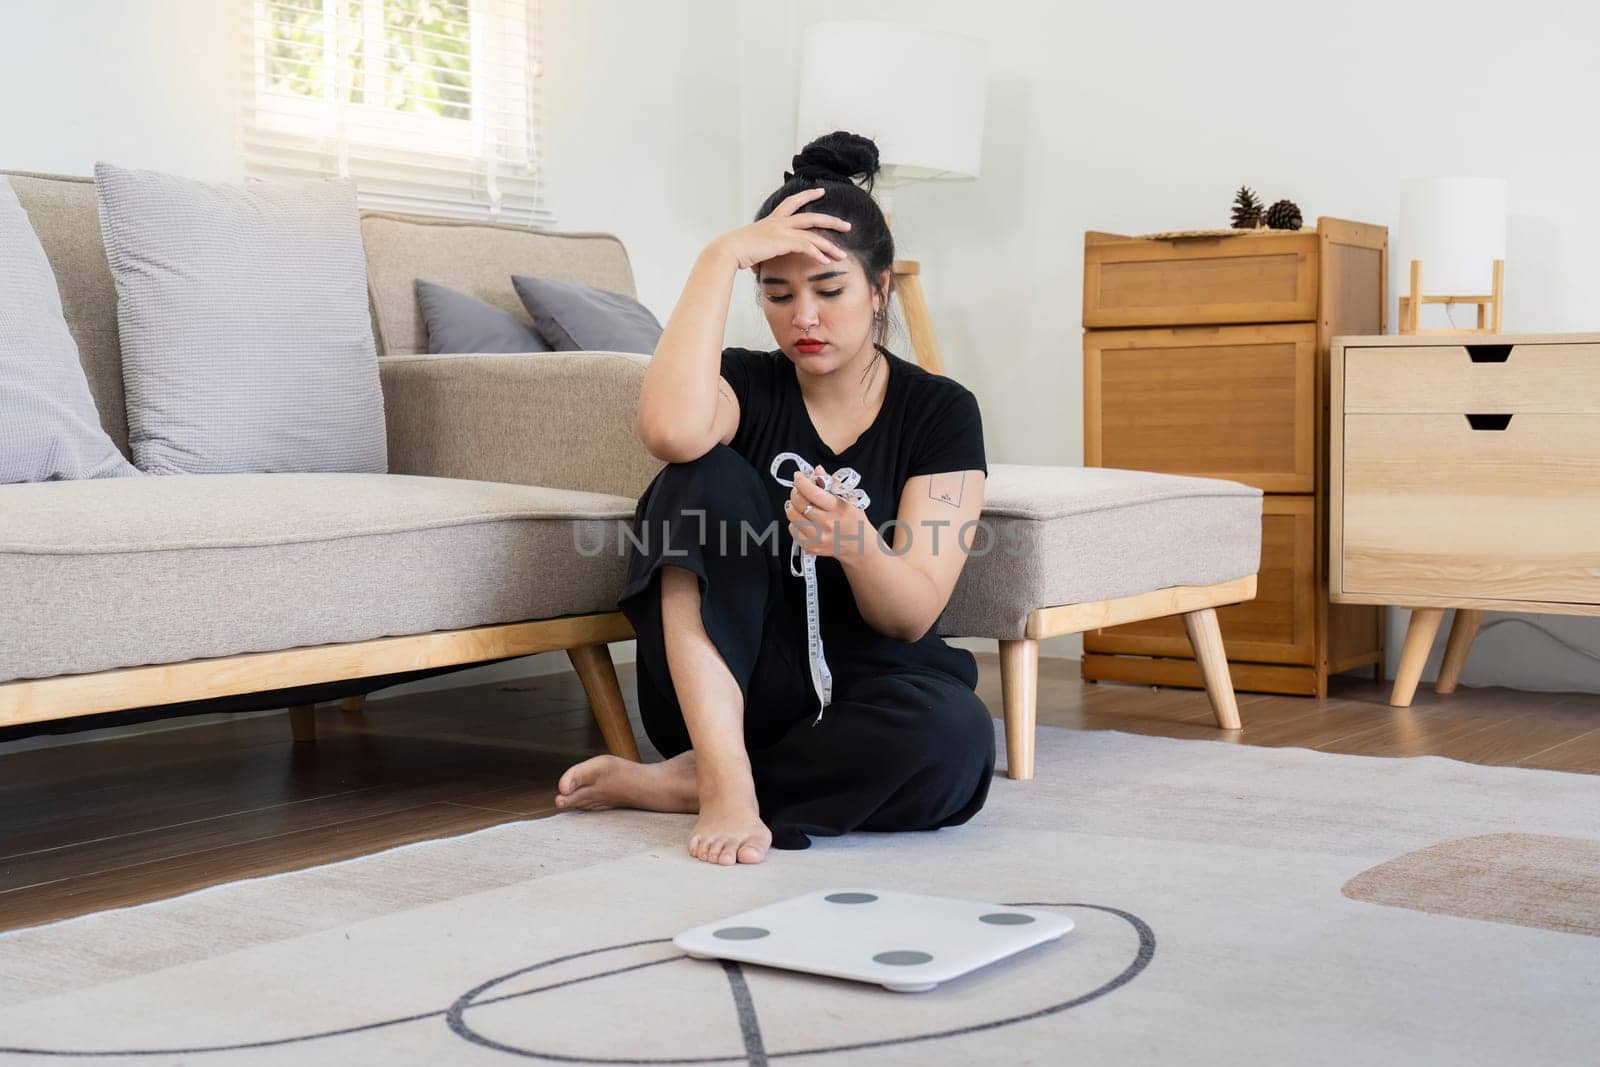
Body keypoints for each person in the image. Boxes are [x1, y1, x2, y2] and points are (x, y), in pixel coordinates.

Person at [553, 131, 994, 866]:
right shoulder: (744, 383)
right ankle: (724, 776)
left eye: (830, 291)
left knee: (956, 742)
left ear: (880, 289)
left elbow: (910, 611)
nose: (804, 319)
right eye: (777, 294)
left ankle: (691, 784)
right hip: (729, 688)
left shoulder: (940, 412)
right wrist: (719, 257)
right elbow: (668, 428)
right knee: (698, 474)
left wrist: (856, 542)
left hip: (863, 689)